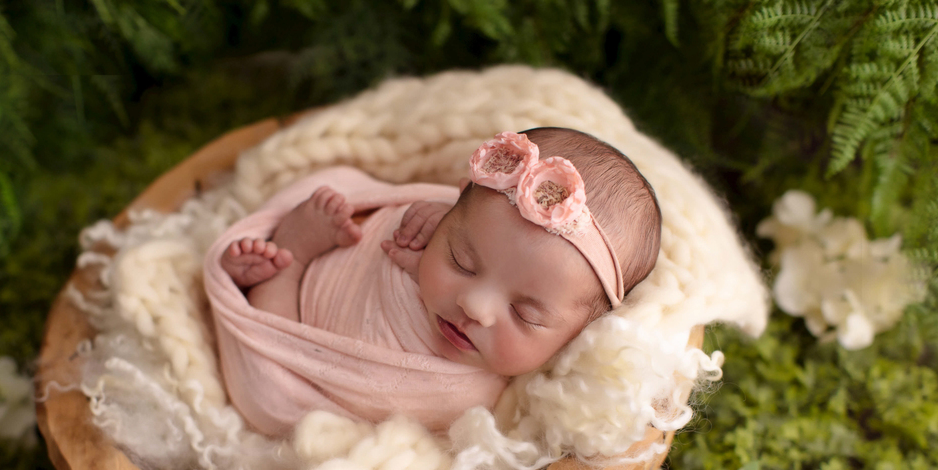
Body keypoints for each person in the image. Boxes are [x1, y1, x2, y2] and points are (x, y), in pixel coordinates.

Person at [207, 127, 661, 436]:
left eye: (524, 314)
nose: (475, 306)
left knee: (271, 397)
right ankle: (291, 251)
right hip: (345, 265)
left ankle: (281, 269)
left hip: (297, 353)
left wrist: (449, 257)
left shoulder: (481, 410)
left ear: (578, 336)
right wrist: (426, 222)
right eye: (463, 261)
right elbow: (440, 211)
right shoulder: (456, 220)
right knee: (348, 200)